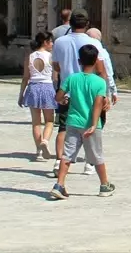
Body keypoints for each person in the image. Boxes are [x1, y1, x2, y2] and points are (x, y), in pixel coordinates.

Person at [49, 44, 114, 199]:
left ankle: (60, 184)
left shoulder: (72, 78)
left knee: (67, 155)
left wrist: (64, 100)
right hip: (90, 124)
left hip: (73, 122)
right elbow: (98, 104)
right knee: (96, 155)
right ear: (96, 61)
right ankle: (104, 185)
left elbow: (58, 97)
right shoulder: (99, 82)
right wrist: (93, 124)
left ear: (79, 61)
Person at [51, 10, 109, 175]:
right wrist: (107, 93)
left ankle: (59, 160)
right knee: (92, 124)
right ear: (87, 24)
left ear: (70, 23)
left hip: (68, 89)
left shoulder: (60, 42)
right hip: (91, 89)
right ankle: (90, 162)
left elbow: (56, 66)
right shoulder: (93, 43)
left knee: (64, 127)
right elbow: (102, 69)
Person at [19, 32, 57, 161]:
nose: (52, 44)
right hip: (47, 87)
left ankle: (38, 152)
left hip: (33, 87)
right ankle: (45, 141)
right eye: (50, 41)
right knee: (49, 120)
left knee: (36, 122)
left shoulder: (30, 56)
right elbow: (55, 77)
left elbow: (25, 77)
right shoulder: (51, 57)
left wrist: (21, 95)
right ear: (45, 42)